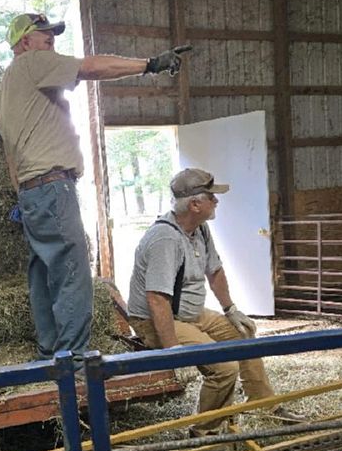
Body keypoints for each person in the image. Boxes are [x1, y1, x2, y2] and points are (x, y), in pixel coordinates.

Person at [0, 12, 190, 371]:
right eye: (44, 33)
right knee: (72, 271)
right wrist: (149, 64)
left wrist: (21, 193)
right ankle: (74, 362)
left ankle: (49, 355)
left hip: (31, 190)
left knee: (43, 273)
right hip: (53, 187)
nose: (51, 38)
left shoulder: (5, 89)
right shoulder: (34, 64)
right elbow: (93, 68)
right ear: (25, 43)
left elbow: (10, 155)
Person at [127, 167, 303, 431]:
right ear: (195, 204)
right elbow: (156, 299)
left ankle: (264, 404)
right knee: (224, 368)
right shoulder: (165, 239)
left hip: (191, 313)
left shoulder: (200, 230)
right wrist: (174, 352)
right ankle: (205, 431)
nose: (217, 201)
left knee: (244, 333)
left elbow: (215, 271)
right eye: (212, 196)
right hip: (157, 319)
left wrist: (230, 308)